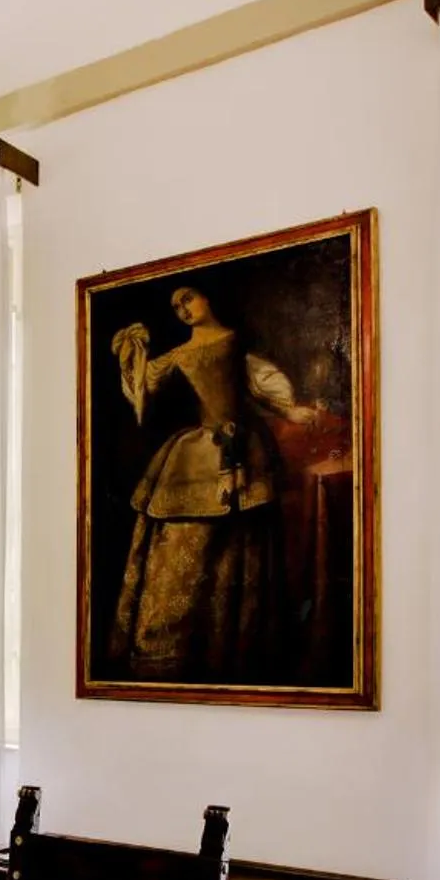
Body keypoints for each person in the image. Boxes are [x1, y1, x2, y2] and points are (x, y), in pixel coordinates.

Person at [107, 286, 317, 682]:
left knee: (240, 547)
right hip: (199, 452)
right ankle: (175, 649)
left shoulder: (234, 341)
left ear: (208, 299)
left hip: (242, 454)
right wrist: (132, 354)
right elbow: (143, 387)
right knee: (185, 549)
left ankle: (229, 647)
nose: (183, 309)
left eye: (188, 298)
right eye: (175, 307)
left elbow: (259, 383)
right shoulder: (181, 355)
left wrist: (290, 409)